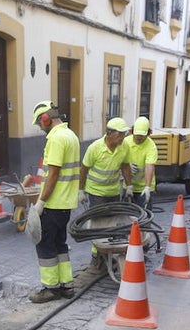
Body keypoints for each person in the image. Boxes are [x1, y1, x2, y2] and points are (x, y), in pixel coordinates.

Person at [28, 100, 80, 303]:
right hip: (65, 204)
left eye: (39, 123)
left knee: (45, 245)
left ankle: (50, 289)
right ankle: (66, 285)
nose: (40, 128)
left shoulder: (56, 139)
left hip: (53, 203)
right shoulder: (71, 135)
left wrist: (41, 202)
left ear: (46, 119)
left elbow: (53, 174)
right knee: (60, 244)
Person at [78, 117, 133, 269]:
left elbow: (125, 166)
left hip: (113, 191)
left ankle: (111, 253)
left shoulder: (124, 147)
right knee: (98, 224)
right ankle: (97, 256)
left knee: (113, 223)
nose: (123, 137)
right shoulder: (95, 148)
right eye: (120, 134)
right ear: (109, 133)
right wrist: (81, 190)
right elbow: (84, 169)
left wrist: (129, 186)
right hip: (96, 193)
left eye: (124, 134)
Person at [124, 117, 159, 208]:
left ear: (148, 134)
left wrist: (147, 187)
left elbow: (149, 166)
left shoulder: (151, 146)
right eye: (137, 136)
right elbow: (119, 160)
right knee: (127, 213)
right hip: (129, 185)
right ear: (132, 132)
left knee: (144, 214)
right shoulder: (125, 142)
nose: (138, 139)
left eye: (141, 137)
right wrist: (126, 166)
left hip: (144, 187)